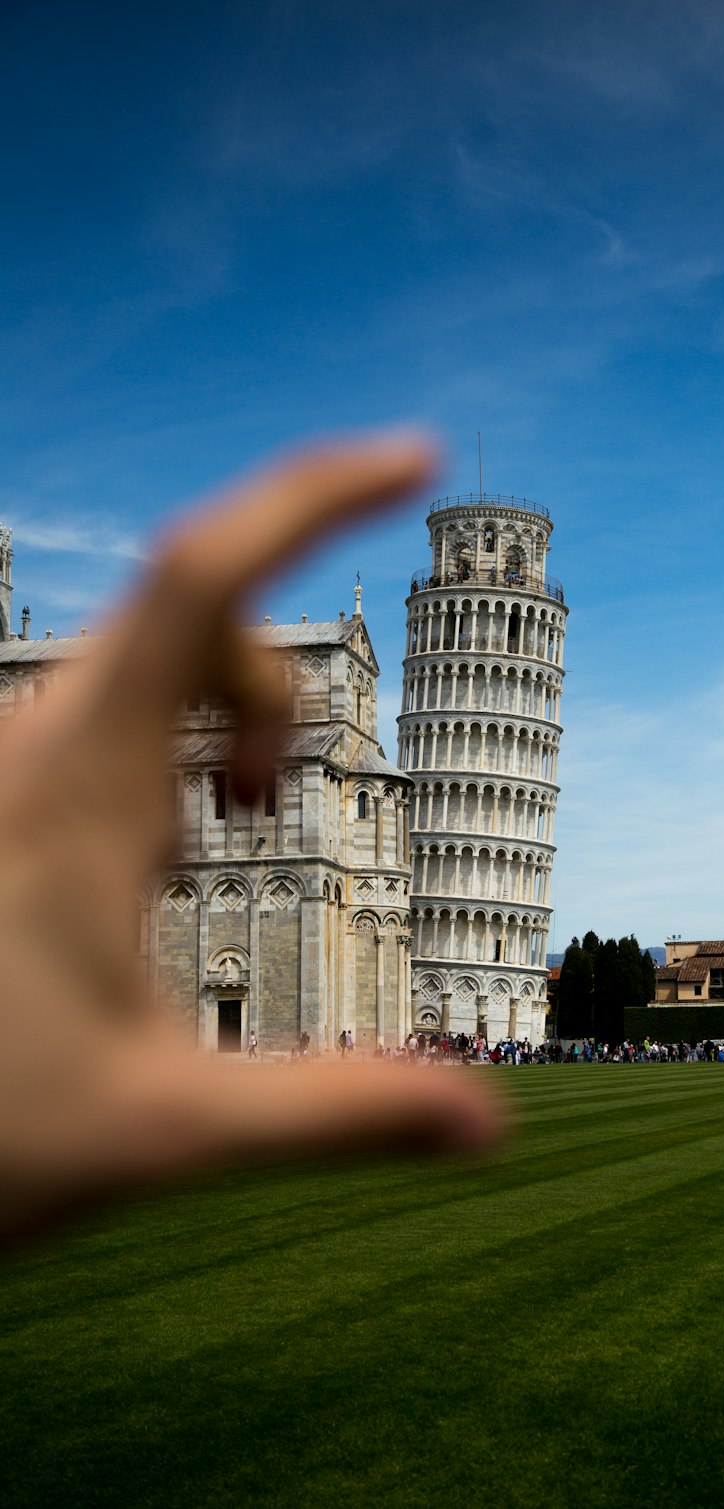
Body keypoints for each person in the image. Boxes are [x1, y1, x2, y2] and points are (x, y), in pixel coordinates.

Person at [0, 432, 501, 1248]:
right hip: (237, 859)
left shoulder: (345, 731)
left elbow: (328, 750)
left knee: (339, 905)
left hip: (301, 861)